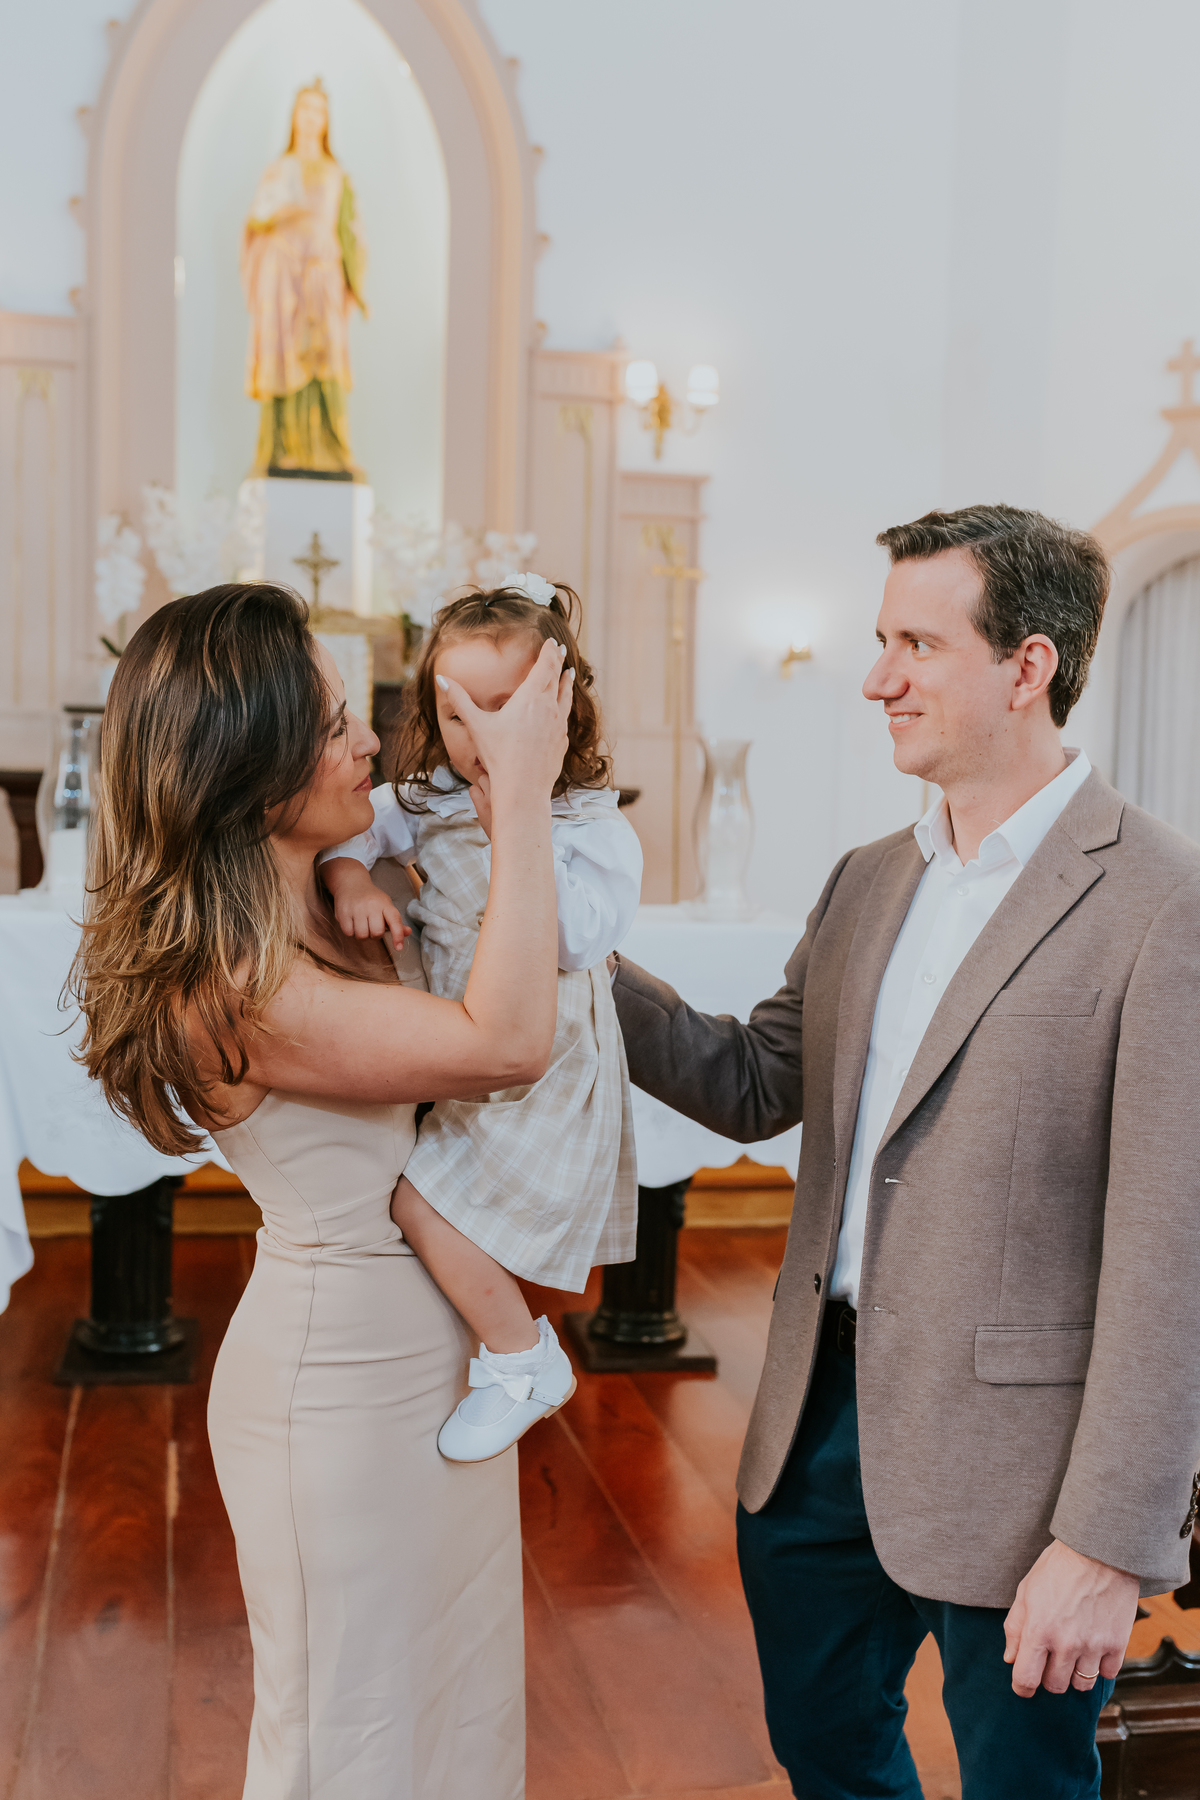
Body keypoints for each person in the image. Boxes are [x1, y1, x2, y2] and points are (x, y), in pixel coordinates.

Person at [608, 505, 1200, 1799]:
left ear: (1026, 666)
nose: (879, 676)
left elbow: (1172, 1256)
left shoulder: (1165, 899)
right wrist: (562, 967)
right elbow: (761, 1080)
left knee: (1025, 1788)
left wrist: (1105, 1541)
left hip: (1022, 1471)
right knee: (826, 1751)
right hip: (815, 1433)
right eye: (883, 641)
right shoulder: (869, 877)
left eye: (917, 645)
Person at [72, 581, 572, 1800]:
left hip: (437, 1364)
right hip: (339, 1396)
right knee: (349, 1742)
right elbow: (507, 1041)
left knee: (450, 1717)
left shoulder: (317, 903)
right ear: (243, 765)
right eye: (335, 722)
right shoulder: (228, 985)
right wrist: (520, 800)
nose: (369, 739)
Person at [321, 574, 640, 1460]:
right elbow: (350, 833)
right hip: (458, 1047)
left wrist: (520, 827)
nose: (479, 738)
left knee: (424, 1207)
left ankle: (523, 1355)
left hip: (546, 1062)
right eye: (458, 714)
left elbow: (578, 942)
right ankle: (501, 1347)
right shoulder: (425, 800)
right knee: (426, 1203)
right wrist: (352, 877)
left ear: (562, 711)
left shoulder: (589, 823)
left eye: (506, 711)